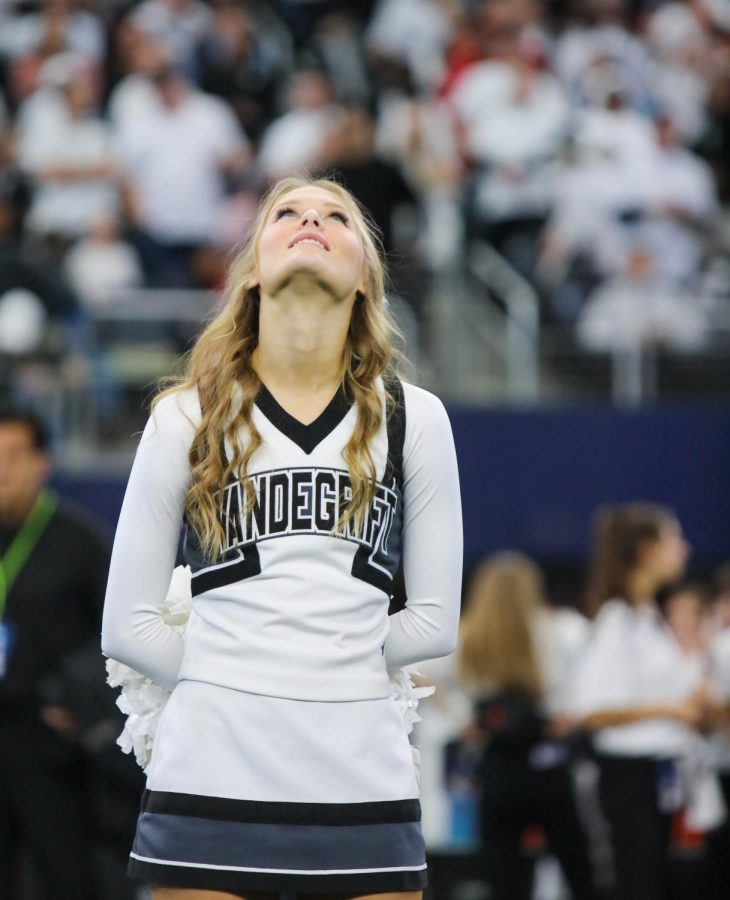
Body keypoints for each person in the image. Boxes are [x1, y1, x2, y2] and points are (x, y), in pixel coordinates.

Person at [101, 175, 463, 898]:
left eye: (337, 217)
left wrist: (325, 666)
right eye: (287, 213)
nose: (311, 221)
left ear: (364, 277)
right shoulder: (185, 415)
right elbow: (126, 625)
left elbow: (433, 622)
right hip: (211, 761)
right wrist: (237, 678)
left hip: (362, 765)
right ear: (254, 269)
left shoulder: (414, 417)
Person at [571, 503, 721, 900]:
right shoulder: (618, 619)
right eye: (675, 539)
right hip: (628, 779)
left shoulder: (647, 617)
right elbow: (591, 710)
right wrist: (672, 709)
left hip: (659, 774)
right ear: (647, 550)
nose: (685, 549)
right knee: (636, 883)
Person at [0, 407, 111, 899]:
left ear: (43, 462)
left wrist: (76, 701)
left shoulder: (80, 541)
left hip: (47, 738)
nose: (2, 468)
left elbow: (116, 635)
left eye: (14, 455)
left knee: (62, 873)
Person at [457, 552, 596, 900]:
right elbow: (585, 689)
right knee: (577, 865)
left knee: (503, 875)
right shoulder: (565, 629)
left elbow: (431, 684)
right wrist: (568, 717)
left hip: (497, 768)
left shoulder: (466, 637)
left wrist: (465, 723)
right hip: (546, 763)